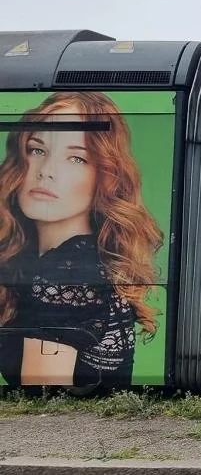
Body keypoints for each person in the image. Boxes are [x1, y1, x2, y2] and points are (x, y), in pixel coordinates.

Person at [0, 91, 163, 390]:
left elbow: (44, 403)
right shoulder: (67, 261)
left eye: (76, 158)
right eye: (37, 150)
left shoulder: (67, 272)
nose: (46, 172)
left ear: (106, 176)